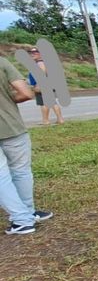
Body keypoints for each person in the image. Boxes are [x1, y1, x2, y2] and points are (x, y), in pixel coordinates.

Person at [1, 56, 52, 235]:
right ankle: (27, 212)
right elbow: (26, 93)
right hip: (12, 125)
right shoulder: (2, 62)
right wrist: (7, 100)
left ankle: (22, 219)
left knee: (1, 176)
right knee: (21, 170)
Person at [27, 47, 63, 125]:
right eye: (31, 52)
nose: (32, 54)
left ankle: (45, 121)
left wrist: (38, 85)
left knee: (43, 103)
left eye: (35, 52)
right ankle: (60, 119)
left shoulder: (40, 63)